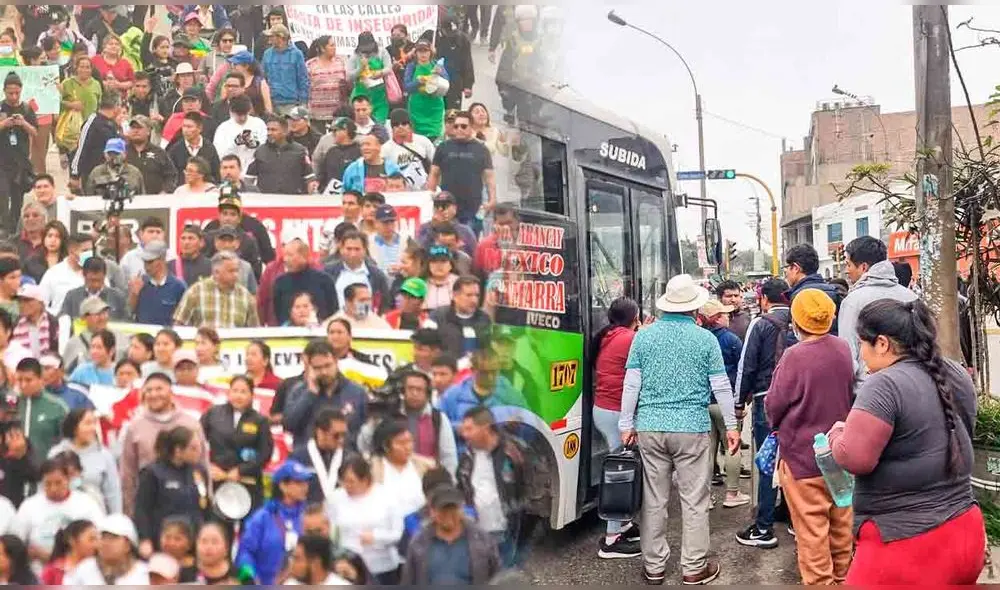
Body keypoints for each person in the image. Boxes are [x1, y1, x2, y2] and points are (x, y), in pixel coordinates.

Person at [829, 299, 982, 584]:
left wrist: (839, 434)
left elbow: (856, 458)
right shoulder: (954, 372)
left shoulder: (883, 385)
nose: (861, 355)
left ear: (883, 343)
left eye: (863, 344)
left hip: (907, 546)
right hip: (966, 532)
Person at [619, 274, 739, 585]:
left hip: (650, 427)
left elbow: (631, 384)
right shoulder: (706, 339)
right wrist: (732, 425)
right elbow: (722, 387)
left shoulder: (643, 337)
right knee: (694, 500)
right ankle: (693, 568)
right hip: (692, 428)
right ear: (694, 308)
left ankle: (654, 566)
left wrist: (625, 423)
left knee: (654, 499)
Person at [763, 288, 854, 584]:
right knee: (842, 524)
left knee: (812, 533)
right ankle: (844, 578)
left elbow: (774, 403)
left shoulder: (794, 356)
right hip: (840, 452)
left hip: (802, 456)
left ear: (797, 322)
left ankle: (820, 583)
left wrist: (774, 425)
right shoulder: (842, 348)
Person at [734, 278, 795, 549]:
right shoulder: (800, 322)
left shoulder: (760, 324)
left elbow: (747, 366)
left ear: (765, 300)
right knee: (794, 460)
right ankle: (794, 517)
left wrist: (739, 401)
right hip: (798, 400)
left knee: (768, 461)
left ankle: (764, 527)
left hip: (766, 400)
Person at [590, 297, 642, 558]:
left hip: (602, 409)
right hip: (616, 412)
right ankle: (611, 539)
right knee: (619, 474)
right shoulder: (629, 339)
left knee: (620, 466)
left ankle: (624, 524)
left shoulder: (609, 335)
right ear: (634, 317)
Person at [119, 372, 205, 517]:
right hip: (150, 507)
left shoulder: (190, 423)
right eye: (149, 390)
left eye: (159, 389)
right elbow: (128, 472)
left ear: (171, 392)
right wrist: (129, 511)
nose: (153, 394)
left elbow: (203, 465)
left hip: (188, 507)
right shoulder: (135, 427)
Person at [838, 236, 918, 383]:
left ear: (863, 267)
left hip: (869, 387)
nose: (846, 271)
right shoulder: (911, 296)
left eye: (848, 265)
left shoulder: (853, 301)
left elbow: (848, 354)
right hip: (910, 383)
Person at [699, 299, 748, 507]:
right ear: (717, 318)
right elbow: (742, 369)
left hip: (703, 401)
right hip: (725, 401)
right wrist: (743, 400)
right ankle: (732, 494)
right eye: (724, 314)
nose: (729, 317)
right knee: (732, 446)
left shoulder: (699, 338)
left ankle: (705, 497)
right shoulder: (731, 340)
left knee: (706, 450)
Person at [11, 458, 104, 565]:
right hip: (38, 571)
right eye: (48, 484)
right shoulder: (29, 506)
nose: (53, 488)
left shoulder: (86, 503)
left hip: (80, 568)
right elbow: (16, 542)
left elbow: (99, 536)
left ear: (68, 479)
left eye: (58, 483)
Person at [402, 483, 500, 584]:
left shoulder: (482, 540)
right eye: (443, 509)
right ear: (432, 511)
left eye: (453, 508)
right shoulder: (418, 543)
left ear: (462, 509)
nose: (448, 514)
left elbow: (496, 578)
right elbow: (408, 581)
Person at [201, 375, 273, 512]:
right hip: (217, 479)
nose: (238, 396)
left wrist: (241, 470)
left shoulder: (260, 420)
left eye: (243, 391)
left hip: (248, 481)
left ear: (252, 395)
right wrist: (208, 466)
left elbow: (265, 453)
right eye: (235, 391)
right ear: (228, 393)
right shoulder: (213, 413)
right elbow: (196, 442)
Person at [235, 459, 312, 585]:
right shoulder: (262, 518)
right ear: (283, 486)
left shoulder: (309, 516)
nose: (304, 486)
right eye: (298, 482)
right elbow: (245, 552)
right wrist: (249, 578)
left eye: (305, 482)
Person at [134, 426, 209, 558]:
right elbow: (142, 508)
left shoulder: (199, 471)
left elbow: (205, 505)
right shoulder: (153, 473)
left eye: (199, 447)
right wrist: (144, 539)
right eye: (193, 448)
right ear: (178, 451)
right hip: (165, 541)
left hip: (193, 541)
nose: (199, 452)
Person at [328, 455, 404, 584]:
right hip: (351, 567)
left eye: (351, 481)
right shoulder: (336, 498)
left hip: (382, 566)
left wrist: (376, 537)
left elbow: (397, 533)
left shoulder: (386, 496)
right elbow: (330, 529)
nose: (347, 486)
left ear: (365, 479)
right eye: (343, 481)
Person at [283, 339, 368, 448]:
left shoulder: (357, 392)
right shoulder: (298, 391)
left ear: (336, 361)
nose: (324, 372)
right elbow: (289, 425)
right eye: (317, 368)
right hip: (307, 459)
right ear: (309, 367)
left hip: (346, 458)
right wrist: (310, 394)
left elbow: (363, 431)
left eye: (328, 366)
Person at [428, 111, 496, 227]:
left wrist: (492, 200)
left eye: (463, 126)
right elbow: (434, 174)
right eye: (456, 126)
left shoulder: (481, 149)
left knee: (469, 243)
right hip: (446, 208)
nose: (459, 129)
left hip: (472, 208)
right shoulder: (443, 147)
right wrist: (430, 195)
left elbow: (489, 178)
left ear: (472, 127)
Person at [49, 408, 122, 513]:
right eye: (87, 423)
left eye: (94, 423)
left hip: (96, 516)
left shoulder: (104, 455)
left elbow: (113, 492)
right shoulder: (56, 453)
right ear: (74, 427)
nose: (92, 428)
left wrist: (116, 519)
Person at [173, 251, 260, 328]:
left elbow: (254, 331)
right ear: (216, 272)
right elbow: (179, 326)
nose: (236, 275)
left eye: (237, 271)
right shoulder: (196, 291)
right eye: (231, 271)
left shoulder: (246, 296)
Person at [64, 513, 150, 585]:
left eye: (113, 538)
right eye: (103, 537)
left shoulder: (144, 575)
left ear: (128, 545)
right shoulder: (84, 570)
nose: (106, 543)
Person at [0, 73, 38, 230]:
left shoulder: (27, 109)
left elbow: (35, 132)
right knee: (2, 195)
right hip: (2, 160)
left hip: (20, 162)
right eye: (10, 93)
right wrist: (3, 124)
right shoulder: (1, 107)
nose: (14, 96)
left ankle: (13, 229)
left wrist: (23, 123)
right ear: (4, 91)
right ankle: (3, 227)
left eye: (17, 93)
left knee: (17, 200)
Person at [325, 230, 392, 315]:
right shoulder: (328, 273)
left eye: (357, 249)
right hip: (336, 323)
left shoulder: (377, 275)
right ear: (341, 249)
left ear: (365, 250)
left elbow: (385, 303)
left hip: (367, 324)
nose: (353, 254)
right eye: (349, 249)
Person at [202, 192, 275, 269]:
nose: (228, 218)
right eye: (224, 213)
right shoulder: (208, 236)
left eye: (233, 214)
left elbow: (256, 269)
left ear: (239, 218)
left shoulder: (248, 241)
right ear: (219, 216)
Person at [14, 357, 69, 460]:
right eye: (19, 380)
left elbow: (68, 442)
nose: (23, 385)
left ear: (41, 379)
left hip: (46, 470)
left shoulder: (57, 407)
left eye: (28, 380)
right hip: (15, 472)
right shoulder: (11, 405)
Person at [247, 115, 318, 194]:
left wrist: (311, 196)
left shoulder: (299, 151)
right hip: (266, 201)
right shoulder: (260, 151)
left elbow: (310, 179)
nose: (269, 133)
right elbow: (249, 179)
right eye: (268, 129)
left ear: (285, 132)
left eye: (273, 130)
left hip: (293, 200)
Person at [273, 239, 337, 326]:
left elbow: (333, 311)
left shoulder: (324, 280)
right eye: (285, 255)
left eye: (290, 255)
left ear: (303, 256)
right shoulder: (280, 282)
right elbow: (278, 313)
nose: (285, 259)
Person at [427, 276, 492, 359]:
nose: (474, 300)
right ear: (455, 296)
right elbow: (426, 348)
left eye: (477, 295)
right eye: (469, 295)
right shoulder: (437, 317)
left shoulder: (484, 320)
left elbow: (488, 352)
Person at [70, 93, 121, 195]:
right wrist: (74, 175)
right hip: (92, 175)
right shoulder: (92, 122)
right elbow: (81, 149)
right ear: (116, 107)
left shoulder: (113, 124)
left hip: (111, 173)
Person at [783, 243, 842, 331]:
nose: (786, 273)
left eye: (786, 267)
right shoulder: (835, 292)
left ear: (796, 268)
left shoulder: (799, 297)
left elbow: (795, 337)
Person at [130, 240, 187, 325]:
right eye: (144, 261)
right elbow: (129, 312)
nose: (146, 266)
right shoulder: (140, 283)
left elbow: (184, 318)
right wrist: (134, 294)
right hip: (143, 335)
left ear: (163, 259)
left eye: (150, 262)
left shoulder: (178, 286)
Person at [39, 232, 93, 315]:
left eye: (91, 250)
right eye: (85, 251)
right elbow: (41, 303)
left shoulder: (96, 273)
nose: (89, 254)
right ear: (71, 251)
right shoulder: (54, 274)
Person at [261, 23, 309, 116]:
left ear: (280, 37)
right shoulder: (267, 54)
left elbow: (303, 79)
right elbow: (263, 77)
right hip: (271, 102)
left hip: (291, 102)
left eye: (272, 36)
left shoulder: (297, 54)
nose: (269, 39)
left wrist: (303, 102)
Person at [61, 256, 129, 321]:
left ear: (104, 276)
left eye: (99, 280)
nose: (96, 285)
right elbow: (63, 320)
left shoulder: (118, 297)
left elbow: (127, 322)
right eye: (92, 280)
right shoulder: (72, 297)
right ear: (83, 275)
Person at [212, 94, 267, 173]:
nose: (242, 118)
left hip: (255, 170)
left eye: (245, 114)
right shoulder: (223, 128)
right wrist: (235, 143)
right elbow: (219, 154)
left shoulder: (259, 123)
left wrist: (255, 144)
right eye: (239, 114)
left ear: (249, 110)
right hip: (232, 171)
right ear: (231, 111)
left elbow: (265, 148)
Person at [347, 32, 393, 124]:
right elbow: (349, 76)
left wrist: (380, 73)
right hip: (361, 93)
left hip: (379, 94)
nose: (367, 52)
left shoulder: (382, 52)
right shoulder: (355, 57)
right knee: (363, 122)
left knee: (379, 123)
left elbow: (388, 68)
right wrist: (360, 68)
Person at [306, 35, 347, 133]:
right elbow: (305, 87)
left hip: (338, 113)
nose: (334, 48)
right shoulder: (310, 65)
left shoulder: (341, 62)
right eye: (331, 45)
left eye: (335, 45)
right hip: (317, 115)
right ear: (322, 48)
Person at [167, 112, 220, 184]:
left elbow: (216, 174)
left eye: (189, 127)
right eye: (184, 126)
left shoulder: (209, 148)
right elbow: (170, 175)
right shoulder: (175, 149)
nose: (185, 130)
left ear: (200, 128)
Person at [40, 519, 98, 585]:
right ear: (72, 540)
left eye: (97, 539)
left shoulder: (99, 567)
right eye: (91, 539)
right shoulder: (52, 571)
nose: (96, 544)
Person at [315, 117, 361, 193]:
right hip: (331, 196)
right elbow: (323, 174)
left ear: (346, 131)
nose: (332, 134)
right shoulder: (331, 152)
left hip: (353, 195)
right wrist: (322, 189)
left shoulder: (359, 151)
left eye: (335, 130)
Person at [11, 285, 57, 358]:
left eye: (27, 300)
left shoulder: (53, 323)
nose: (22, 304)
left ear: (40, 302)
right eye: (20, 301)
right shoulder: (15, 324)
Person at [92, 36, 135, 100]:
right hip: (98, 98)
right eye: (111, 44)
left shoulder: (126, 63)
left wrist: (119, 85)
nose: (114, 46)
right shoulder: (95, 60)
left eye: (117, 44)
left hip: (120, 100)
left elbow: (132, 82)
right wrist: (102, 83)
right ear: (104, 47)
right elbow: (88, 77)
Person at [158, 518, 197, 583]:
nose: (171, 543)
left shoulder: (198, 570)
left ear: (189, 544)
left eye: (177, 539)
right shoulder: (154, 566)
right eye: (167, 537)